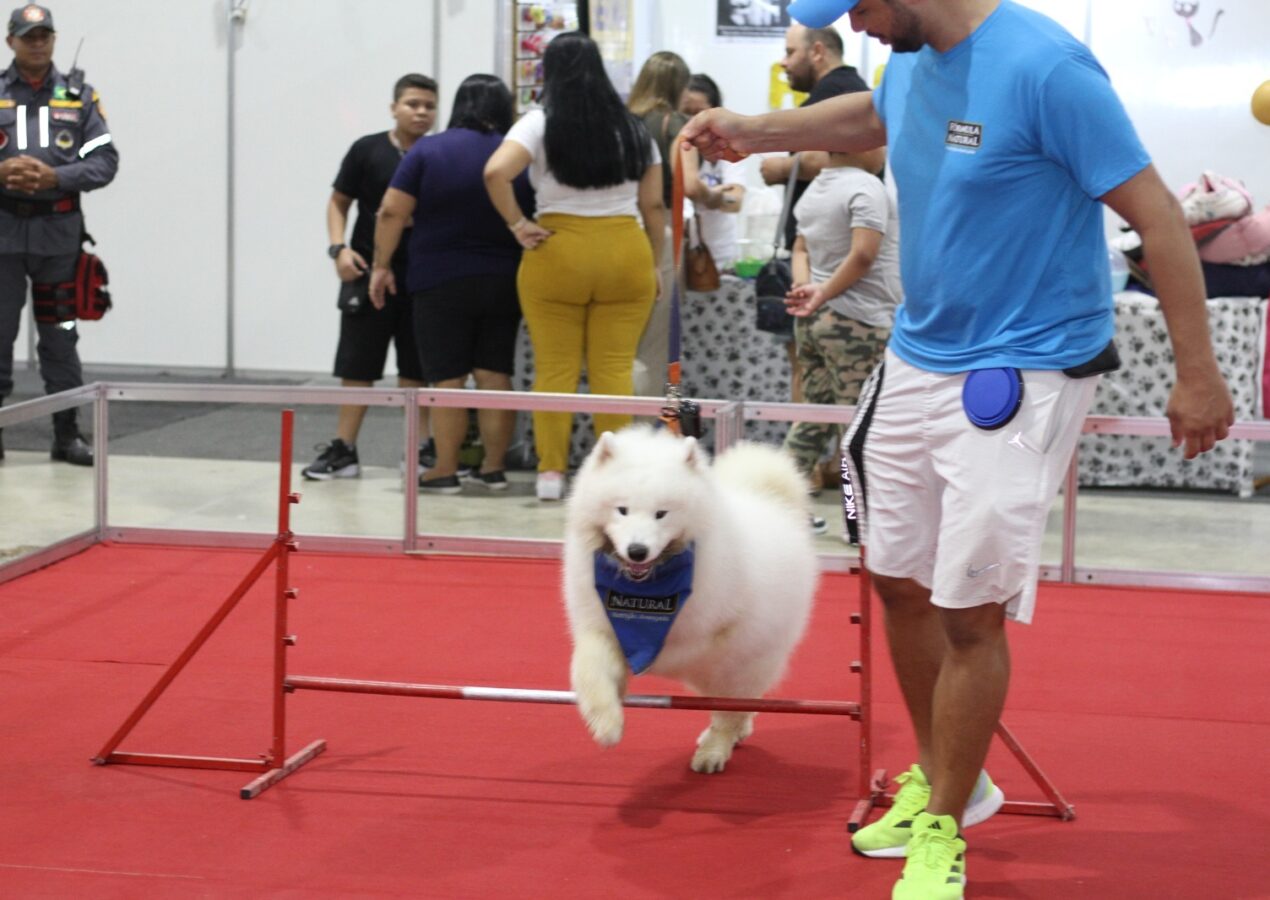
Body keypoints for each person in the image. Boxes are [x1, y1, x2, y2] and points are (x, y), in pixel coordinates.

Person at [682, 1, 1235, 897]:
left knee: (970, 607)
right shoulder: (913, 56)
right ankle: (958, 781)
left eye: (861, 4)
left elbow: (1161, 215)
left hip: (1027, 363)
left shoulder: (1047, 69)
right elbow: (874, 112)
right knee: (897, 577)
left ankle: (943, 826)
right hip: (919, 351)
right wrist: (755, 126)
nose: (856, 24)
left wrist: (1199, 372)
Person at [484, 31, 662, 502]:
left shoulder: (538, 123)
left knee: (555, 369)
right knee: (613, 369)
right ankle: (616, 475)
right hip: (626, 251)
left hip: (556, 251)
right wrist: (658, 267)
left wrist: (518, 224)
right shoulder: (635, 129)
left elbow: (494, 172)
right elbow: (655, 207)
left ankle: (550, 473)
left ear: (549, 72)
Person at [371, 74, 532, 494]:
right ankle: (493, 468)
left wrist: (381, 265)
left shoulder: (428, 149)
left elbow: (390, 211)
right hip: (504, 277)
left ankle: (444, 469)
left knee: (448, 377)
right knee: (495, 372)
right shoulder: (515, 154)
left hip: (438, 278)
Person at [302, 74, 438, 481]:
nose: (421, 112)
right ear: (393, 107)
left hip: (422, 276)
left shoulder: (437, 153)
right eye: (412, 103)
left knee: (418, 365)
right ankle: (344, 450)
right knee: (357, 364)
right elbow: (338, 203)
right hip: (365, 271)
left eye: (429, 106)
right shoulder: (367, 150)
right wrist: (337, 249)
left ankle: (419, 449)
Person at [0, 4, 117, 466]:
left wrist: (54, 178)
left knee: (61, 336)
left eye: (45, 35)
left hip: (57, 238)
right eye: (28, 36)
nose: (37, 43)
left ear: (54, 40)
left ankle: (67, 434)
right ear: (11, 41)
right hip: (3, 237)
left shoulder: (79, 96)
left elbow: (106, 161)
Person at [781, 148, 899, 514]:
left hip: (816, 320)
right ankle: (860, 521)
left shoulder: (817, 187)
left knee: (813, 418)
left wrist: (807, 289)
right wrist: (824, 292)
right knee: (859, 428)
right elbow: (864, 254)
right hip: (858, 322)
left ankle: (773, 505)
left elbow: (799, 248)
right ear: (858, 143)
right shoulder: (866, 187)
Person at [625, 50, 689, 397]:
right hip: (659, 232)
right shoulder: (674, 124)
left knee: (621, 349)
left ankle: (612, 430)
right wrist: (715, 196)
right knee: (652, 348)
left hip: (619, 233)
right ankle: (640, 431)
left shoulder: (624, 122)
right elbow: (687, 182)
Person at [678, 74, 746, 271]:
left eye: (698, 114)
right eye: (685, 114)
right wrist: (715, 195)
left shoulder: (728, 147)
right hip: (682, 255)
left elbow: (735, 201)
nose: (691, 122)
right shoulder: (677, 146)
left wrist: (705, 195)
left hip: (720, 253)